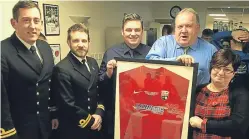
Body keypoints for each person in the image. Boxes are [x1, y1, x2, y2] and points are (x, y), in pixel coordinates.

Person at [1, 1, 58, 139]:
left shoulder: (45, 48)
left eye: (36, 21)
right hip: (19, 129)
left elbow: (49, 84)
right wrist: (8, 132)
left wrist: (54, 113)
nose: (33, 26)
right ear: (14, 23)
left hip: (45, 125)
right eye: (26, 20)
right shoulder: (3, 51)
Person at [98, 13, 151, 139]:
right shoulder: (111, 53)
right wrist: (108, 74)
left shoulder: (151, 53)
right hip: (116, 114)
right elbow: (99, 83)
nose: (133, 33)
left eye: (137, 30)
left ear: (142, 31)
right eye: (128, 30)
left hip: (144, 113)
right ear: (122, 32)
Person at [51, 23, 105, 139]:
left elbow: (99, 92)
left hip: (95, 126)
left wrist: (99, 114)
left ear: (89, 42)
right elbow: (68, 105)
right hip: (76, 129)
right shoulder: (62, 68)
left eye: (84, 41)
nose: (81, 45)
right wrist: (92, 122)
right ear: (69, 43)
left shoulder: (93, 63)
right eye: (76, 41)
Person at [146, 8, 217, 85]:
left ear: (197, 28)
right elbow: (149, 65)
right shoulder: (163, 43)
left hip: (198, 95)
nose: (183, 30)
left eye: (188, 26)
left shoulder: (210, 50)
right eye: (180, 26)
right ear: (175, 28)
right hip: (166, 94)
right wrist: (175, 61)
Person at [189, 48, 249, 139]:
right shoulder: (198, 90)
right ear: (211, 68)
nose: (221, 73)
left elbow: (237, 126)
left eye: (227, 69)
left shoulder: (241, 95)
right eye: (217, 67)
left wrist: (202, 124)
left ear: (234, 73)